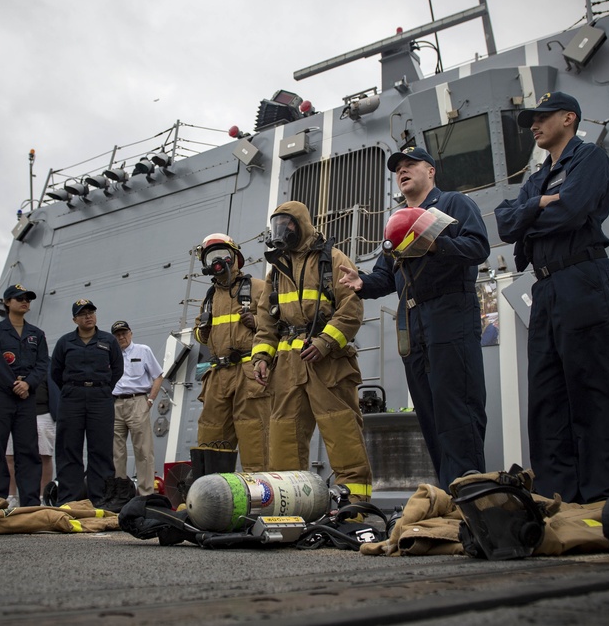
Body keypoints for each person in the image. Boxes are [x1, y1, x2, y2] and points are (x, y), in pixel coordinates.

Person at [495, 91, 609, 503]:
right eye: (532, 121)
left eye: (542, 118)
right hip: (544, 289)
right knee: (548, 395)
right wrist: (538, 205)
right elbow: (506, 225)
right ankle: (559, 495)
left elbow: (572, 211)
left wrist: (531, 217)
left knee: (598, 385)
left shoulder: (590, 160)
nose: (534, 126)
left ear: (569, 119)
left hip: (583, 278)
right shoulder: (538, 178)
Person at [339, 146, 490, 488]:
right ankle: (450, 494)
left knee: (458, 411)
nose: (402, 171)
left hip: (450, 314)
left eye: (410, 165)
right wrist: (361, 283)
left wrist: (435, 244)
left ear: (431, 171)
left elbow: (478, 248)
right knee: (431, 415)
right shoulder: (396, 222)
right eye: (398, 169)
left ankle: (471, 495)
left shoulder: (453, 204)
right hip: (414, 324)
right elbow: (384, 276)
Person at [252, 202, 372, 502]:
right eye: (277, 225)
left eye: (288, 224)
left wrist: (325, 342)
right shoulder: (277, 270)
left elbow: (352, 308)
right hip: (289, 367)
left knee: (343, 434)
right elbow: (266, 318)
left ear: (302, 224)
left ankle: (355, 507)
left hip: (327, 363)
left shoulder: (332, 259)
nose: (282, 231)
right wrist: (262, 357)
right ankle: (290, 506)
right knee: (284, 438)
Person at [193, 233, 271, 471]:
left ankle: (261, 499)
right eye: (211, 257)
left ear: (235, 257)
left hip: (248, 374)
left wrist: (256, 321)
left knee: (255, 437)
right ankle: (211, 498)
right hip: (217, 377)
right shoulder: (209, 298)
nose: (217, 262)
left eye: (222, 255)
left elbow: (275, 324)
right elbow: (199, 336)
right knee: (210, 439)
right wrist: (202, 330)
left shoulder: (258, 288)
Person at [0, 284, 50, 507]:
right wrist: (13, 384)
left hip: (26, 396)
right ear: (7, 302)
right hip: (1, 394)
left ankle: (30, 502)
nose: (24, 301)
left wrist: (27, 384)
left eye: (27, 298)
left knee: (28, 449)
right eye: (19, 298)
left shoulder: (36, 335)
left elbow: (42, 364)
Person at [51, 299, 123, 506]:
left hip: (100, 397)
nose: (88, 316)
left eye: (91, 312)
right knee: (68, 448)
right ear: (75, 319)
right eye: (83, 314)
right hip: (71, 396)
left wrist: (103, 388)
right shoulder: (65, 342)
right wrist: (72, 387)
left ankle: (100, 500)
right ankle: (68, 500)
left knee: (100, 450)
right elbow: (55, 371)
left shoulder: (108, 341)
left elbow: (118, 369)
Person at [110, 320, 163, 496]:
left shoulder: (143, 350)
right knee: (116, 451)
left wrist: (150, 400)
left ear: (131, 333)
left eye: (124, 333)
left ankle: (146, 494)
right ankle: (120, 492)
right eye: (117, 335)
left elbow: (158, 375)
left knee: (143, 450)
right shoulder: (110, 354)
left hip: (137, 402)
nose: (121, 337)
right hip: (115, 403)